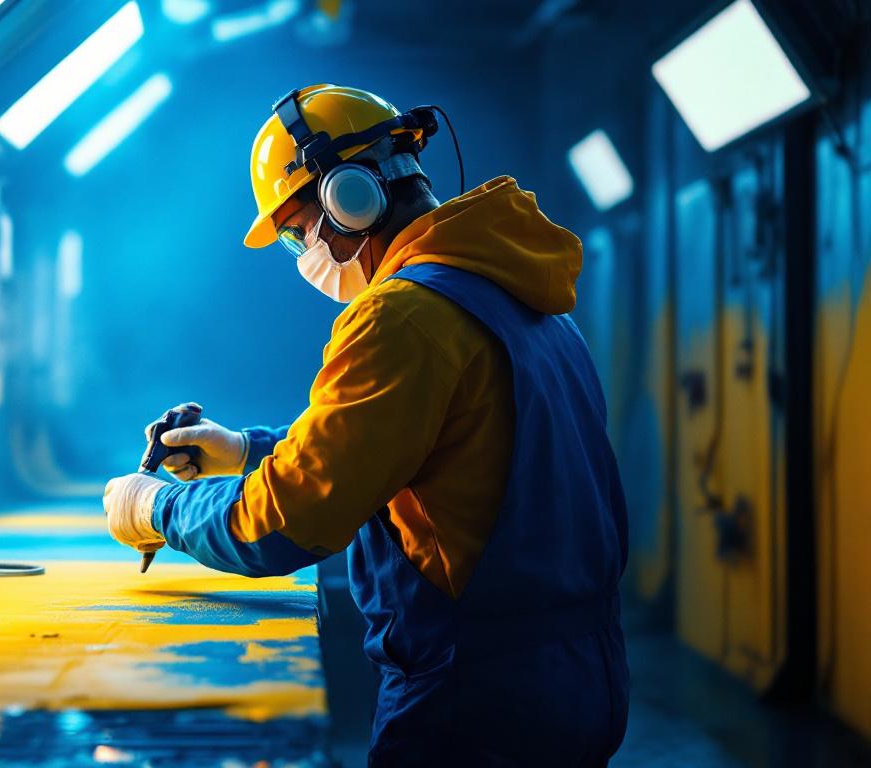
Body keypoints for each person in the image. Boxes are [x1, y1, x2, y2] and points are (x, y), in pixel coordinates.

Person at [102, 84, 629, 766]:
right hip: (583, 675)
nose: (302, 256)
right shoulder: (526, 296)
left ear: (348, 196)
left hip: (476, 700)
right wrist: (242, 452)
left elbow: (286, 523)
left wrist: (156, 507)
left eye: (297, 233)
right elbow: (434, 455)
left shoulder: (401, 317)